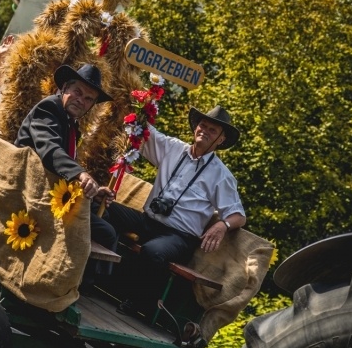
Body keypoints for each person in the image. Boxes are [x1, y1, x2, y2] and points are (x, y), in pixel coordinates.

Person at [105, 105, 246, 314]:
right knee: (105, 209)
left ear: (221, 139)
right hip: (148, 220)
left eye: (213, 130)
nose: (205, 131)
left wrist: (223, 225)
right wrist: (145, 100)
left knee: (153, 252)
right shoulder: (173, 148)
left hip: (179, 236)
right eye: (203, 125)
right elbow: (141, 126)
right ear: (195, 127)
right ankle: (98, 277)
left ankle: (140, 305)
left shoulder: (221, 175)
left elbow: (238, 216)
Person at [15, 63, 119, 290]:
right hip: (29, 189)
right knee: (106, 233)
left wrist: (93, 189)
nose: (82, 100)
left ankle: (84, 284)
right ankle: (79, 288)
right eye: (78, 92)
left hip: (51, 190)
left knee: (109, 218)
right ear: (64, 88)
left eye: (89, 98)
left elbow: (65, 160)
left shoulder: (71, 123)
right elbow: (51, 150)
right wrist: (80, 175)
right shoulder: (49, 108)